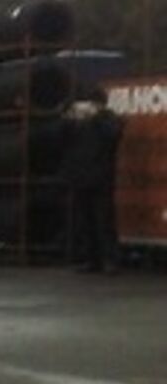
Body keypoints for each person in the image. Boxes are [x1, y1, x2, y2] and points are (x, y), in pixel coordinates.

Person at [59, 88, 124, 274]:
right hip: (81, 178)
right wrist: (68, 116)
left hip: (101, 179)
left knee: (104, 221)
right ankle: (91, 259)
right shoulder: (78, 123)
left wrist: (97, 117)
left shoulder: (110, 119)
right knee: (84, 222)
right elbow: (60, 138)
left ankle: (110, 259)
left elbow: (113, 136)